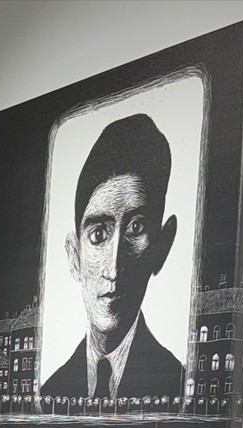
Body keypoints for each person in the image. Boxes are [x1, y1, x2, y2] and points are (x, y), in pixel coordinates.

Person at [41, 114, 185, 401]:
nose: (113, 268)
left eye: (136, 228)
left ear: (162, 246)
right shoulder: (49, 395)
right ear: (75, 256)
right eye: (98, 235)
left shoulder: (178, 387)